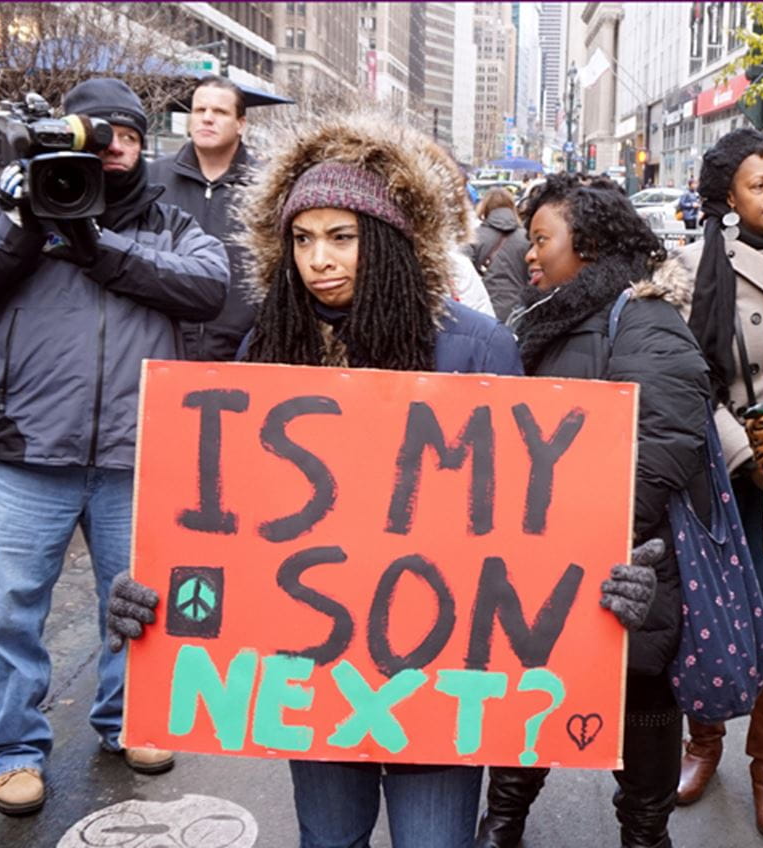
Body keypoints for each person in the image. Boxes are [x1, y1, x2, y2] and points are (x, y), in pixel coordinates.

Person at [107, 113, 529, 848]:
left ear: (391, 242)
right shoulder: (268, 347)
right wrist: (159, 590)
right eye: (302, 239)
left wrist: (601, 584)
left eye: (342, 237)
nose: (318, 260)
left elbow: (526, 521)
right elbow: (225, 516)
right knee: (330, 841)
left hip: (438, 673)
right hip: (315, 672)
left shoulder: (477, 347)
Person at [0, 77, 229, 816]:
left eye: (123, 138)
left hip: (137, 448)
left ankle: (131, 720)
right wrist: (22, 228)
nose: (107, 153)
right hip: (25, 448)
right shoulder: (6, 212)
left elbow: (207, 287)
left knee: (133, 603)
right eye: (92, 136)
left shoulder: (168, 223)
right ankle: (13, 748)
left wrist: (98, 248)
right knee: (12, 609)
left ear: (141, 146)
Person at [477, 173, 713, 848]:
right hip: (545, 556)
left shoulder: (645, 321)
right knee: (534, 687)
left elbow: (661, 449)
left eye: (542, 237)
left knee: (642, 703)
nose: (528, 251)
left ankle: (644, 832)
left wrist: (582, 539)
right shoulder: (548, 315)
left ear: (587, 244)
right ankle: (505, 818)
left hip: (632, 566)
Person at [671, 127, 763, 839]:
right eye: (762, 183)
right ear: (730, 194)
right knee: (709, 609)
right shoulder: (691, 269)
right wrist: (741, 448)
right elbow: (682, 379)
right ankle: (703, 745)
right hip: (722, 467)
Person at [149, 75, 257, 360]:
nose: (207, 119)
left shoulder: (266, 185)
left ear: (240, 124)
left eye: (220, 112)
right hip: (163, 347)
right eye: (199, 110)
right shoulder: (152, 179)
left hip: (244, 351)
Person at [466, 187, 531, 321]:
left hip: (483, 312)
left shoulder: (474, 237)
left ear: (485, 207)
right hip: (517, 312)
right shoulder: (527, 238)